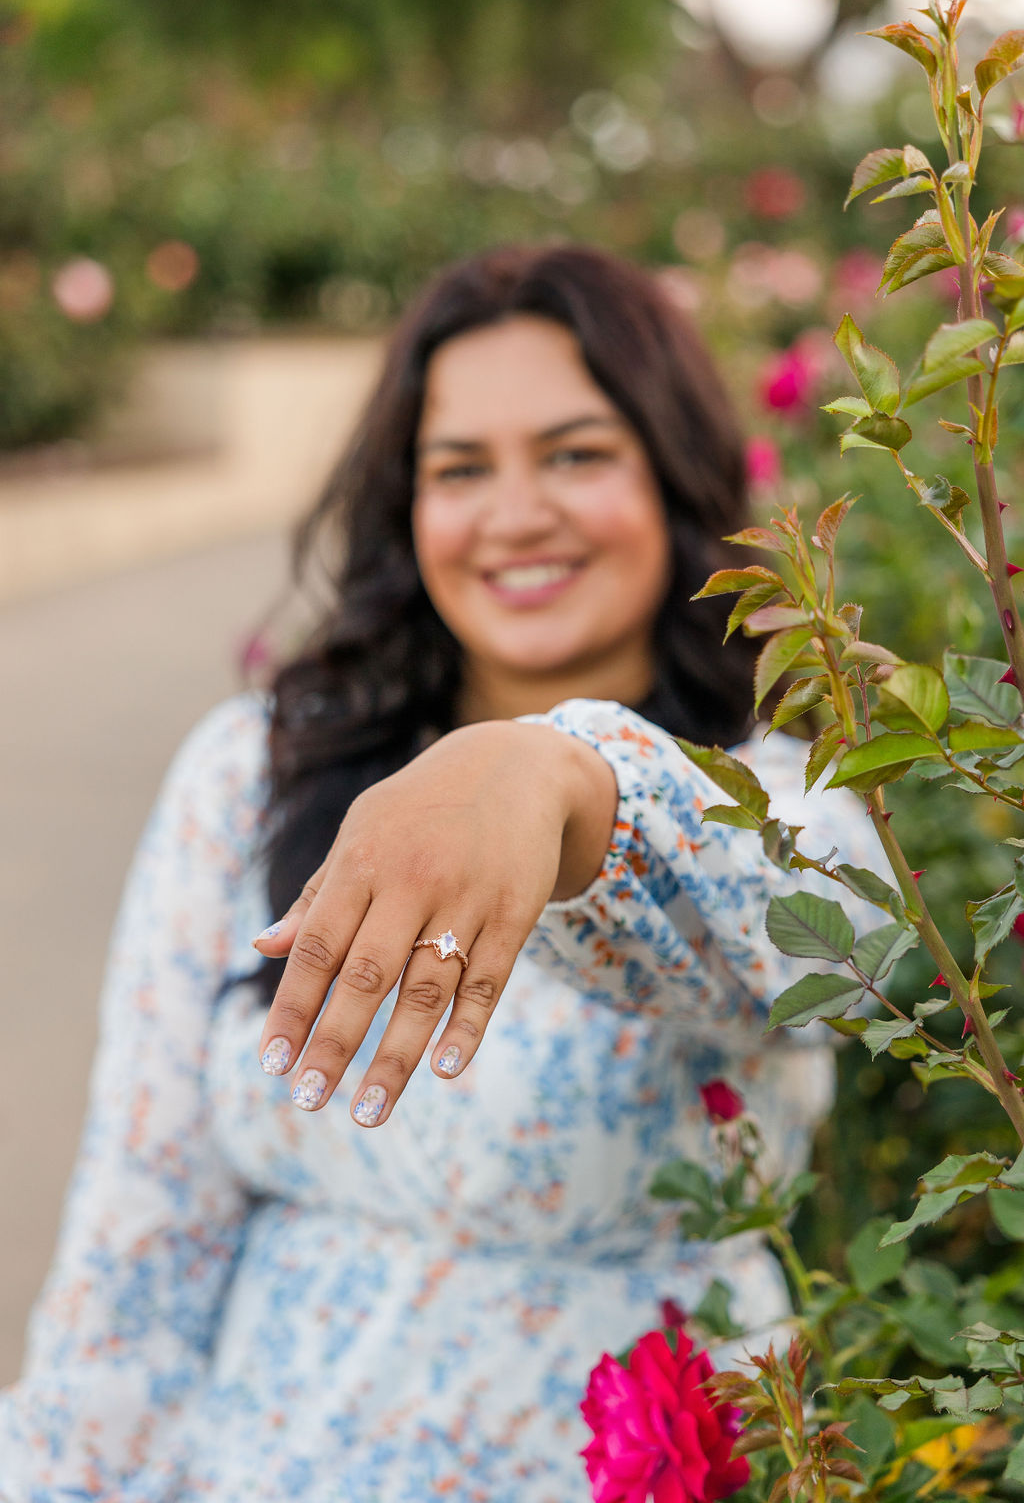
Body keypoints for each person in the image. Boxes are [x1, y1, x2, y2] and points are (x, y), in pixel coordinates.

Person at [1, 244, 884, 1503]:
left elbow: (843, 949)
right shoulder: (253, 773)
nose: (515, 513)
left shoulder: (772, 790)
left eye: (576, 454)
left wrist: (560, 779)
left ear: (674, 476)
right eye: (460, 469)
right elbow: (138, 1243)